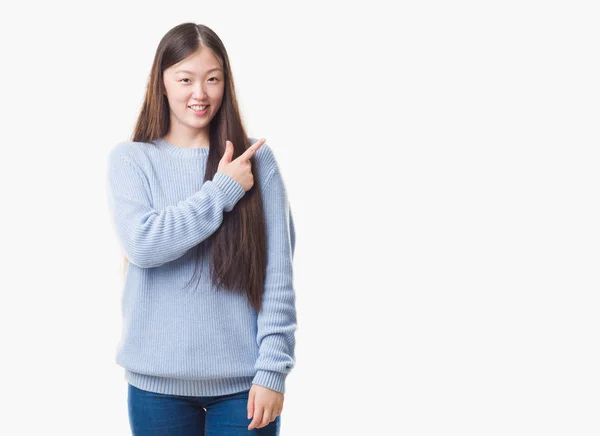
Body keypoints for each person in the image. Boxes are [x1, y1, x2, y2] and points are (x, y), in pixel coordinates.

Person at [105, 22, 297, 435]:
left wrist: (272, 372)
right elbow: (144, 244)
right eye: (185, 79)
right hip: (156, 387)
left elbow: (277, 275)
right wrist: (222, 191)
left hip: (244, 387)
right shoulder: (132, 160)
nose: (200, 93)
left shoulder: (256, 160)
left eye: (212, 79)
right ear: (162, 83)